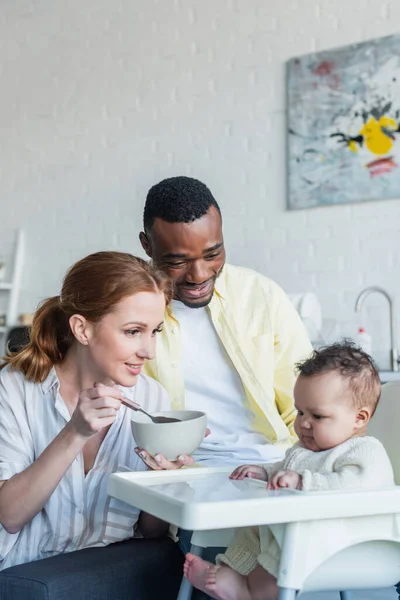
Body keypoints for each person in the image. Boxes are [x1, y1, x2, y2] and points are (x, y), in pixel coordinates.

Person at [0, 251, 195, 571]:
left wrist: (163, 484)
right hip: (27, 579)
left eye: (155, 331)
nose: (149, 350)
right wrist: (74, 432)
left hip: (112, 576)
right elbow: (9, 516)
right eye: (133, 331)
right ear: (82, 329)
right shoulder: (16, 389)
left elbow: (151, 532)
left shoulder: (152, 399)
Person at [184, 341, 395, 600]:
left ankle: (250, 591)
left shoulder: (364, 451)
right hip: (310, 531)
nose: (304, 423)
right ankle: (233, 573)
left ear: (359, 419)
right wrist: (265, 472)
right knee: (258, 522)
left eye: (317, 416)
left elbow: (358, 485)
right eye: (300, 411)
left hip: (353, 543)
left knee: (289, 538)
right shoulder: (307, 449)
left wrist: (303, 481)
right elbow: (288, 469)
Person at [140, 176, 313, 469]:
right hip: (178, 467)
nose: (198, 274)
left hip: (272, 461)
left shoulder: (261, 295)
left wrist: (301, 463)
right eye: (178, 262)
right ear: (147, 245)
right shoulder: (130, 308)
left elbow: (306, 398)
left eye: (213, 254)